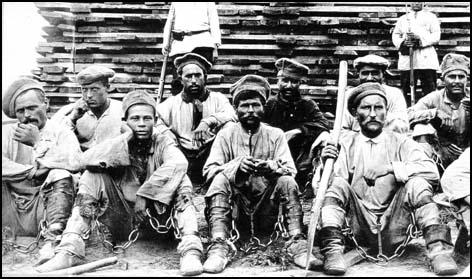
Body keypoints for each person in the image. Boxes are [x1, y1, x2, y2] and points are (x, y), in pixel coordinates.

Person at [36, 90, 204, 276]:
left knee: (183, 180)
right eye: (135, 118)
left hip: (157, 219)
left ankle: (190, 250)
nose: (141, 124)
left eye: (147, 118)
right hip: (122, 219)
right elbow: (82, 162)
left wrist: (145, 194)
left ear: (155, 121)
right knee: (92, 176)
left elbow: (179, 162)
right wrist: (125, 138)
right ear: (125, 121)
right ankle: (69, 249)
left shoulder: (163, 142)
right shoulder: (117, 140)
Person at [319, 82, 458, 275]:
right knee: (337, 184)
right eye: (366, 108)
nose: (373, 114)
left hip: (396, 222)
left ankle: (439, 251)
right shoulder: (345, 143)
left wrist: (389, 168)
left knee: (418, 183)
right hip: (358, 225)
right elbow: (326, 187)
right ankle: (333, 252)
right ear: (354, 112)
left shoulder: (401, 142)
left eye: (379, 108)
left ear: (386, 111)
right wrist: (326, 162)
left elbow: (431, 172)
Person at [202, 75, 322, 273]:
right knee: (219, 180)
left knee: (286, 181)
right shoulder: (226, 134)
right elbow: (209, 171)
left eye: (256, 105)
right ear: (236, 109)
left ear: (263, 107)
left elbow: (290, 170)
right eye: (245, 106)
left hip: (268, 209)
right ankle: (219, 244)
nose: (250, 111)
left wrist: (271, 168)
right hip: (236, 209)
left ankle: (296, 242)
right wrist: (236, 166)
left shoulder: (275, 134)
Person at [2, 78, 81, 264]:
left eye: (31, 108)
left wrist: (37, 143)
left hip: (44, 208)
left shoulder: (62, 132)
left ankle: (52, 240)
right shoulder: (7, 132)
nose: (26, 115)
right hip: (11, 207)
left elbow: (75, 162)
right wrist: (30, 171)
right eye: (20, 111)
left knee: (61, 174)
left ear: (46, 104)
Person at [157, 53, 236, 186]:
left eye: (197, 75)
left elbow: (232, 115)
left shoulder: (218, 99)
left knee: (230, 127)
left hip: (211, 153)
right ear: (181, 80)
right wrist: (165, 132)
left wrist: (208, 121)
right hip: (183, 153)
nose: (193, 80)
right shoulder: (172, 103)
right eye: (188, 76)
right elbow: (155, 119)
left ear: (205, 78)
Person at [264, 58, 330, 191]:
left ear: (300, 83)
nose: (289, 85)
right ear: (278, 81)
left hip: (299, 156)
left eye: (294, 81)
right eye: (285, 81)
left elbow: (323, 123)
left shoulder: (307, 104)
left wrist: (298, 131)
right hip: (272, 154)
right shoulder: (269, 104)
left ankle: (307, 183)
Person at [408, 53, 470, 172]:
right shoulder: (434, 98)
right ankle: (427, 172)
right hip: (442, 153)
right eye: (452, 76)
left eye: (461, 77)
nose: (457, 81)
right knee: (421, 127)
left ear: (467, 79)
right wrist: (434, 113)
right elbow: (408, 115)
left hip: (468, 153)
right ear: (442, 80)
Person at [51, 65, 122, 151]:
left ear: (107, 88)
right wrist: (73, 119)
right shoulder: (69, 111)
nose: (89, 95)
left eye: (94, 89)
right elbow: (54, 139)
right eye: (84, 90)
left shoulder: (121, 110)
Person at [162, 2, 221, 94]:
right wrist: (165, 42)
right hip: (181, 43)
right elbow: (170, 21)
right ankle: (179, 105)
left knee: (198, 81)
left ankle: (199, 106)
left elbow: (214, 21)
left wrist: (215, 46)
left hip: (202, 42)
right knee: (179, 80)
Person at [342, 54, 409, 134]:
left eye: (375, 73)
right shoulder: (349, 94)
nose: (369, 78)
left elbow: (403, 127)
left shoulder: (394, 94)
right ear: (358, 74)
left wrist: (380, 116)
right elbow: (343, 127)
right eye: (365, 73)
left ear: (383, 74)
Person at [392, 2, 441, 105]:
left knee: (429, 88)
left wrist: (420, 40)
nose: (416, 3)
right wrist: (404, 43)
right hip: (408, 58)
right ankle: (408, 111)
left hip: (426, 58)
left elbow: (436, 35)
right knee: (407, 88)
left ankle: (430, 111)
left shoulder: (431, 17)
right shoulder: (403, 19)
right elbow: (396, 35)